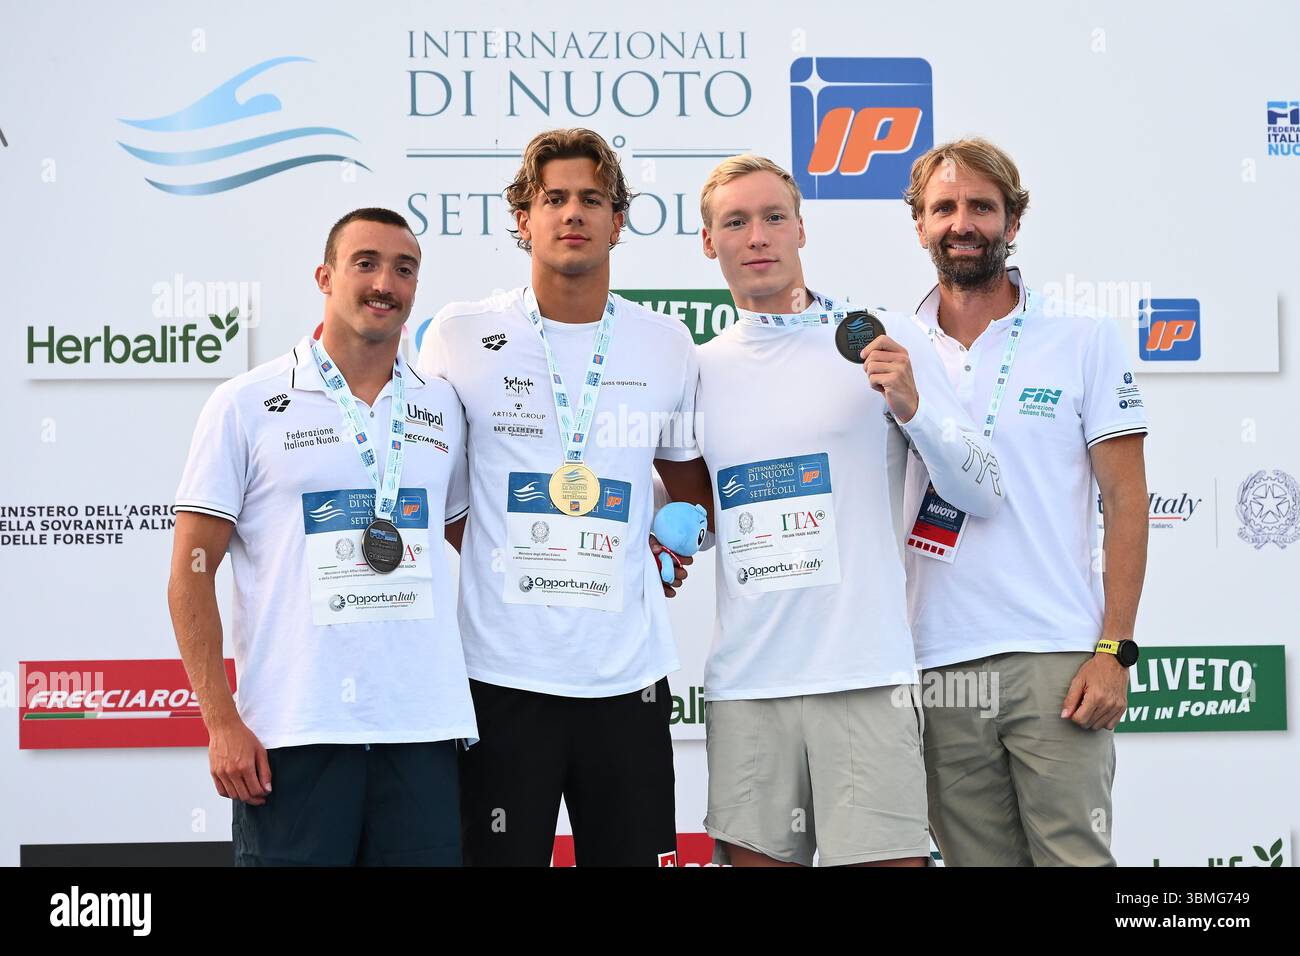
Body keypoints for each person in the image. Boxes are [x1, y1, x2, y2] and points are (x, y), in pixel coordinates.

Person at [664, 154, 1004, 866]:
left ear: (801, 230)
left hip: (866, 677)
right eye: (735, 222)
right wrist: (658, 533)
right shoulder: (696, 369)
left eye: (773, 218)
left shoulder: (881, 340)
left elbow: (981, 491)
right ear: (707, 243)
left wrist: (914, 408)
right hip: (749, 686)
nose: (757, 236)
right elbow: (686, 517)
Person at [418, 129, 700, 867]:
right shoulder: (459, 333)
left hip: (627, 681)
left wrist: (664, 539)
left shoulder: (666, 342)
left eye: (592, 199)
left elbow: (692, 492)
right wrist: (523, 558)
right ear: (523, 218)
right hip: (500, 678)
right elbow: (431, 496)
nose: (572, 213)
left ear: (617, 220)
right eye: (554, 199)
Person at [168, 208, 476, 866]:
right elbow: (191, 571)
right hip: (292, 736)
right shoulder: (245, 403)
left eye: (404, 268)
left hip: (421, 733)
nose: (384, 283)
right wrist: (221, 722)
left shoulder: (443, 405)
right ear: (325, 276)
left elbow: (479, 540)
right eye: (365, 263)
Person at [901, 139, 1149, 866]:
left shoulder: (1082, 338)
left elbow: (1127, 502)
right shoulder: (890, 345)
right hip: (937, 659)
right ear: (919, 223)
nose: (962, 222)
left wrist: (1115, 650)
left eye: (982, 206)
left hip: (1057, 657)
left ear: (1013, 221)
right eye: (943, 207)